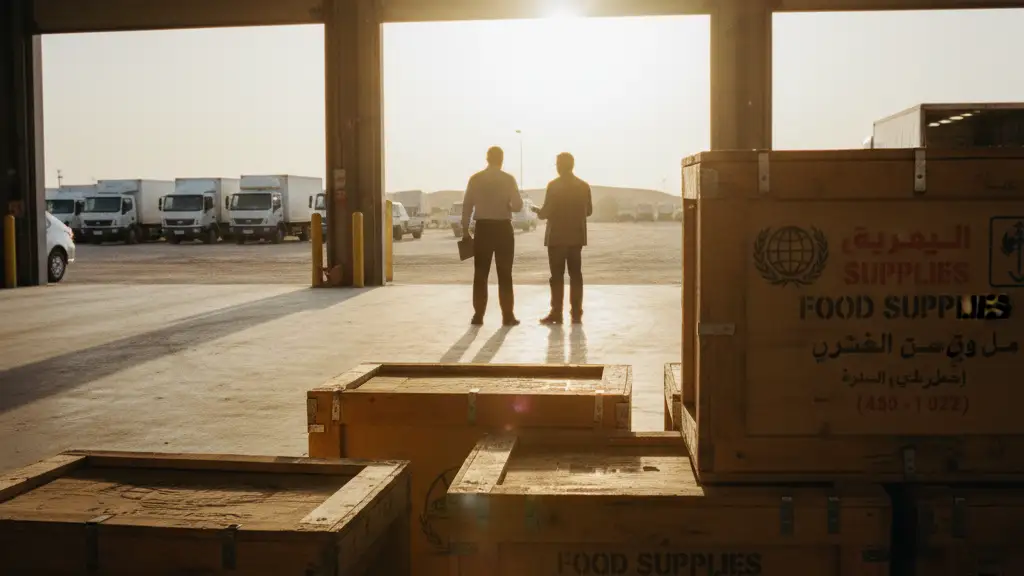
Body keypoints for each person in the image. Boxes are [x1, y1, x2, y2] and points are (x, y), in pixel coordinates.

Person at [462, 146, 523, 326]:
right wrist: (507, 206)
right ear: (501, 159)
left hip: (483, 229)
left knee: (480, 274)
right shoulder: (508, 179)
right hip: (503, 229)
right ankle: (507, 316)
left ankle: (478, 316)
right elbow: (518, 206)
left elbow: (467, 206)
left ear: (487, 159)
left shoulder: (475, 179)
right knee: (505, 274)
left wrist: (465, 231)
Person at [533, 152, 592, 324]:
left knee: (557, 276)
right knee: (576, 275)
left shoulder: (554, 185)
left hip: (557, 237)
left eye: (557, 164)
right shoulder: (583, 186)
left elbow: (546, 212)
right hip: (576, 237)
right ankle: (576, 314)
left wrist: (538, 211)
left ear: (560, 166)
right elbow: (589, 211)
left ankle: (556, 313)